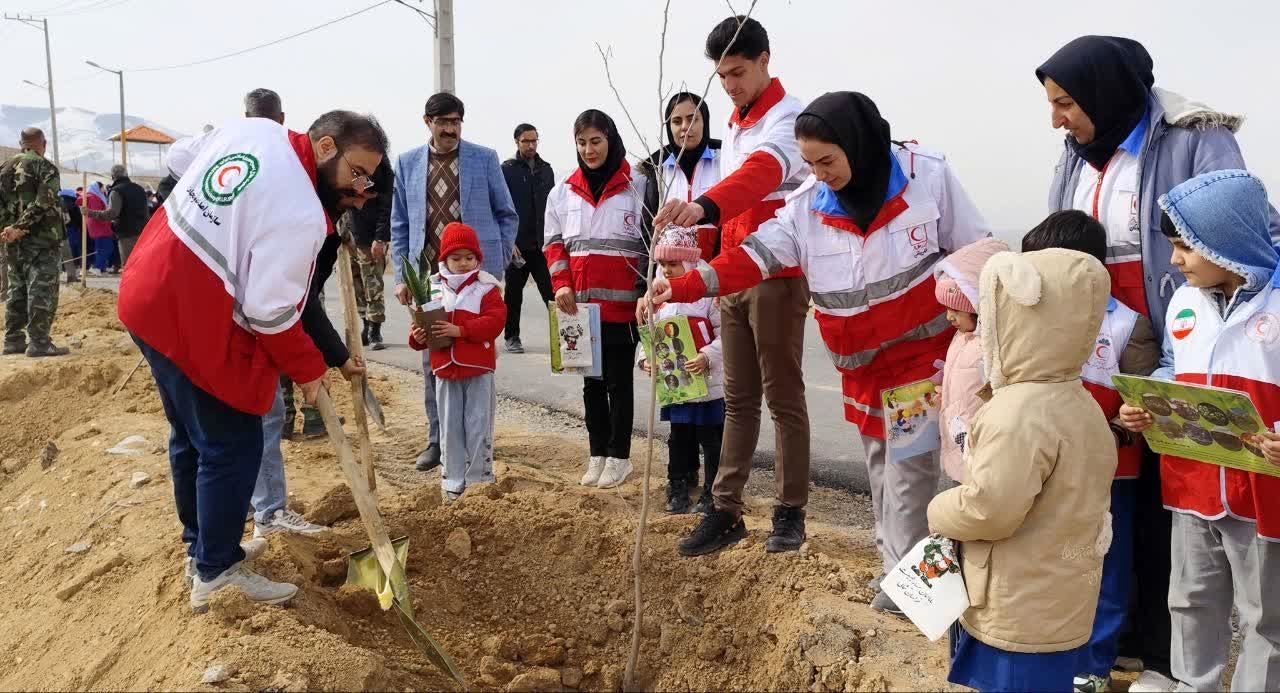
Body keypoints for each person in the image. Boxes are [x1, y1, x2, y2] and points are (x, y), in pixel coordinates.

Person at [649, 92, 991, 604]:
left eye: (827, 161)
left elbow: (978, 249)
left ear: (860, 145)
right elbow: (753, 259)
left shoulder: (927, 177)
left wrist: (978, 329)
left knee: (910, 472)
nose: (819, 173)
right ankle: (894, 570)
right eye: (809, 163)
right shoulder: (805, 208)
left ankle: (914, 591)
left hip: (921, 363)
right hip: (864, 371)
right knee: (881, 467)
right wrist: (684, 286)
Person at [1036, 36, 1280, 690]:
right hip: (1111, 346)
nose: (1057, 118)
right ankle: (1124, 649)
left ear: (1104, 92)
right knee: (1113, 499)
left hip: (1174, 334)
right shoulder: (1074, 156)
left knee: (1170, 500)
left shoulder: (1192, 137)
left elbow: (1228, 217)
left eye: (1066, 103)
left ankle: (1161, 659)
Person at [118, 110, 389, 612]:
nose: (359, 187)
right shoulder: (303, 212)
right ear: (326, 147)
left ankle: (200, 547)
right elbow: (271, 311)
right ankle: (216, 571)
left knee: (190, 435)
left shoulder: (256, 131)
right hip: (191, 312)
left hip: (145, 292)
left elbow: (181, 155)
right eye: (357, 173)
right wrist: (310, 372)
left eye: (367, 179)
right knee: (232, 441)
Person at [649, 16, 813, 556]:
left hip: (775, 273)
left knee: (783, 398)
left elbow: (761, 177)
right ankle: (725, 509)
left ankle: (789, 513)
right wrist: (693, 232)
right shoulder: (740, 121)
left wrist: (703, 205)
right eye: (722, 77)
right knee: (739, 399)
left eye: (738, 73)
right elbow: (731, 196)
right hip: (732, 272)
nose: (730, 86)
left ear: (767, 60)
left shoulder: (788, 119)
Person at [1119, 170, 1280, 693]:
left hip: (1263, 493)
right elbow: (1171, 365)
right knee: (1189, 599)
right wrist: (1147, 402)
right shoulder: (1185, 302)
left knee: (1265, 619)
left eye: (1185, 246)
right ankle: (1193, 685)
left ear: (1226, 241)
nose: (1174, 260)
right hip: (1191, 483)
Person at [928, 248, 1117, 693]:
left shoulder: (1017, 412)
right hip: (1061, 603)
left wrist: (940, 509)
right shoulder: (1080, 401)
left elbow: (991, 508)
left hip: (1016, 608)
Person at [1020, 210, 1159, 693]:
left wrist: (1107, 433)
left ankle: (1095, 665)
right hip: (1042, 471)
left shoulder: (1127, 324)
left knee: (1104, 565)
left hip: (1110, 475)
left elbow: (1141, 408)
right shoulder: (1028, 318)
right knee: (1047, 562)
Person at [391, 92, 519, 472]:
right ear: (427, 121)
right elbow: (400, 223)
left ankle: (480, 444)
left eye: (456, 121)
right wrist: (403, 276)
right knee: (434, 357)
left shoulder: (484, 158)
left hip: (476, 275)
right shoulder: (408, 163)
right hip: (430, 278)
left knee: (477, 354)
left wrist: (493, 265)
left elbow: (506, 214)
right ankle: (439, 440)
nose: (449, 128)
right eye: (442, 121)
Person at [545, 109, 648, 490]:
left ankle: (620, 458)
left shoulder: (637, 187)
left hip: (621, 308)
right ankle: (597, 454)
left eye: (596, 141)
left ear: (611, 140)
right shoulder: (562, 191)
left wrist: (643, 295)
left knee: (619, 384)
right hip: (579, 309)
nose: (589, 150)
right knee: (591, 386)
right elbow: (554, 244)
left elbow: (646, 247)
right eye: (582, 142)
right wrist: (561, 284)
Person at [409, 222, 506, 502]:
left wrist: (460, 331)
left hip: (478, 369)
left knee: (478, 422)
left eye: (469, 257)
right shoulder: (431, 289)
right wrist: (418, 335)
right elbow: (418, 333)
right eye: (456, 258)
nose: (463, 263)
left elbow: (495, 321)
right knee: (449, 425)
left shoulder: (486, 287)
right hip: (445, 370)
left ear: (478, 258)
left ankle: (479, 479)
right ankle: (452, 480)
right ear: (444, 260)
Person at [637, 226, 724, 514]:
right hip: (676, 384)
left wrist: (707, 355)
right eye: (662, 264)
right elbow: (651, 332)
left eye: (673, 264)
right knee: (679, 435)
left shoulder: (709, 292)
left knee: (711, 439)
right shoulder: (658, 293)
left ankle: (714, 490)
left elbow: (728, 333)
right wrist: (645, 359)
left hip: (708, 383)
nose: (667, 270)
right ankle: (678, 484)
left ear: (688, 262)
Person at [932, 237, 1009, 487]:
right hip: (959, 446)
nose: (948, 317)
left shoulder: (994, 345)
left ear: (977, 305)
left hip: (983, 452)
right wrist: (945, 395)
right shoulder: (962, 336)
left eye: (956, 310)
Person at [0, 127, 71, 357]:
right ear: (43, 143)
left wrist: (9, 229)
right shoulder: (45, 167)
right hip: (41, 240)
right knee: (41, 289)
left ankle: (13, 339)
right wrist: (21, 227)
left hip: (12, 240)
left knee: (16, 288)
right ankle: (39, 342)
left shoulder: (4, 169)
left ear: (22, 143)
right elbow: (44, 202)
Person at [640, 92, 724, 262]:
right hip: (670, 281)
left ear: (705, 122)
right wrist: (644, 285)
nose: (685, 127)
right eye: (677, 121)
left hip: (719, 276)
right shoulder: (657, 170)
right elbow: (648, 234)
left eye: (693, 119)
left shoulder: (724, 161)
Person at [501, 123, 556, 354]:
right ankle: (512, 337)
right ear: (517, 142)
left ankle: (564, 338)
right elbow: (501, 207)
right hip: (517, 245)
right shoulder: (507, 170)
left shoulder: (546, 169)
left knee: (552, 295)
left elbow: (554, 206)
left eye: (534, 140)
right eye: (526, 141)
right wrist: (508, 240)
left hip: (543, 245)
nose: (531, 145)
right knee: (513, 295)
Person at [341, 158, 392, 351]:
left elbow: (386, 204)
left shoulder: (380, 165)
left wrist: (380, 238)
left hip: (370, 237)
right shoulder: (343, 159)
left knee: (372, 283)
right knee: (355, 284)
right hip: (348, 234)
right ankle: (365, 325)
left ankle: (375, 329)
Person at [85, 164, 149, 268]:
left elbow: (112, 213)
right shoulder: (139, 189)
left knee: (129, 266)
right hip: (144, 231)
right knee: (142, 266)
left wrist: (90, 213)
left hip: (127, 233)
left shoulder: (116, 191)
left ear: (112, 176)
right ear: (126, 174)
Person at [84, 181, 114, 274]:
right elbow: (97, 213)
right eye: (102, 187)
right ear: (98, 188)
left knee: (101, 247)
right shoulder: (94, 198)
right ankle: (97, 267)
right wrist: (108, 220)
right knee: (106, 247)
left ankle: (101, 267)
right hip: (100, 226)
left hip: (97, 226)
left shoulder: (91, 196)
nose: (104, 189)